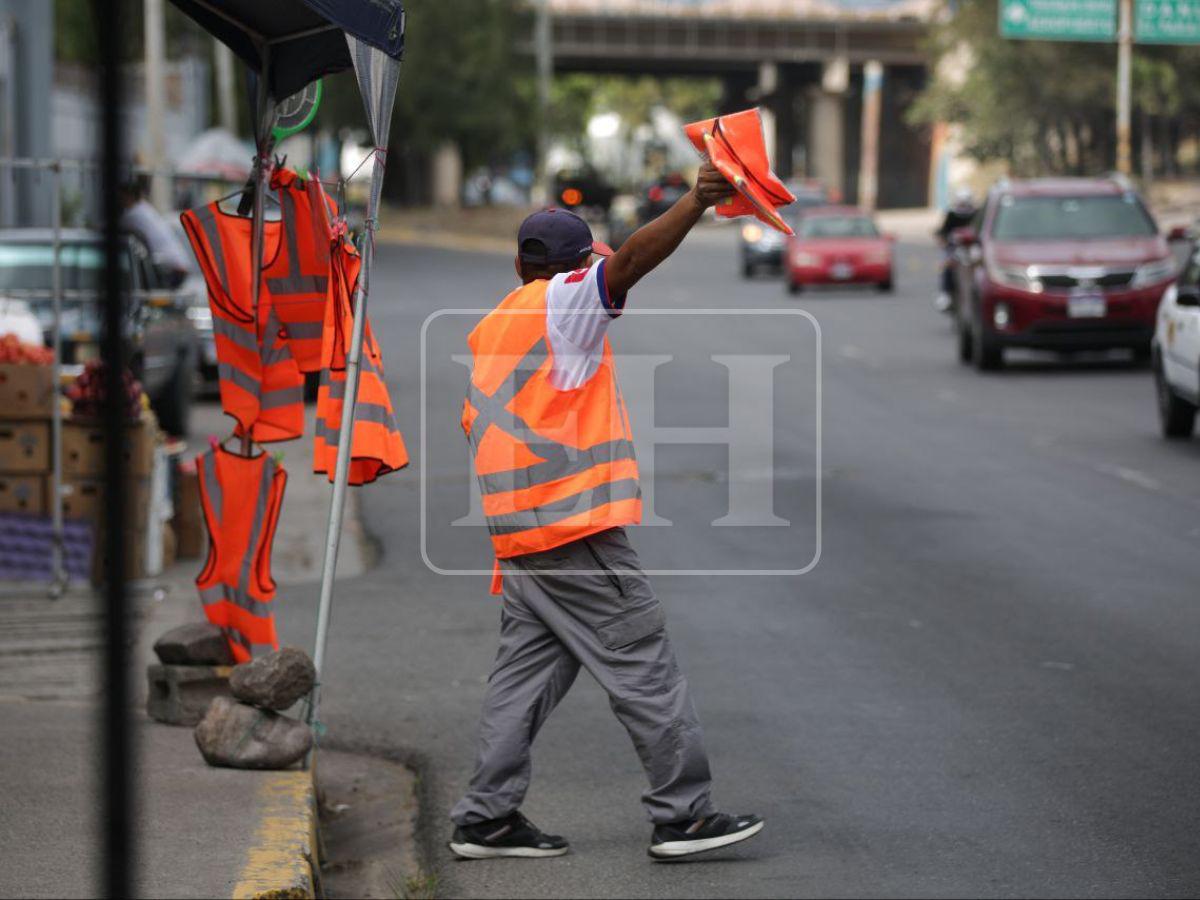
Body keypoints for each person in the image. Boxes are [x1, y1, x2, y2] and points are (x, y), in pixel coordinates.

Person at [448, 161, 766, 862]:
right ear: (577, 267)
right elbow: (628, 263)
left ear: (518, 264)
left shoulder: (495, 328)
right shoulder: (566, 304)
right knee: (643, 664)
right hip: (575, 532)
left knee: (523, 680)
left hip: (521, 539)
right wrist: (695, 200)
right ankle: (683, 815)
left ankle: (486, 817)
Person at [119, 176, 191, 288]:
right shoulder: (145, 208)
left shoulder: (134, 214)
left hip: (170, 269)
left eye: (121, 197)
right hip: (176, 267)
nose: (120, 201)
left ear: (128, 196)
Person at [934, 187, 977, 312]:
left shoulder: (976, 214)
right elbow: (943, 232)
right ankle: (945, 294)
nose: (963, 206)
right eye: (961, 203)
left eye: (965, 203)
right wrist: (942, 242)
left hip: (971, 249)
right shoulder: (952, 215)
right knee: (946, 265)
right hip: (953, 248)